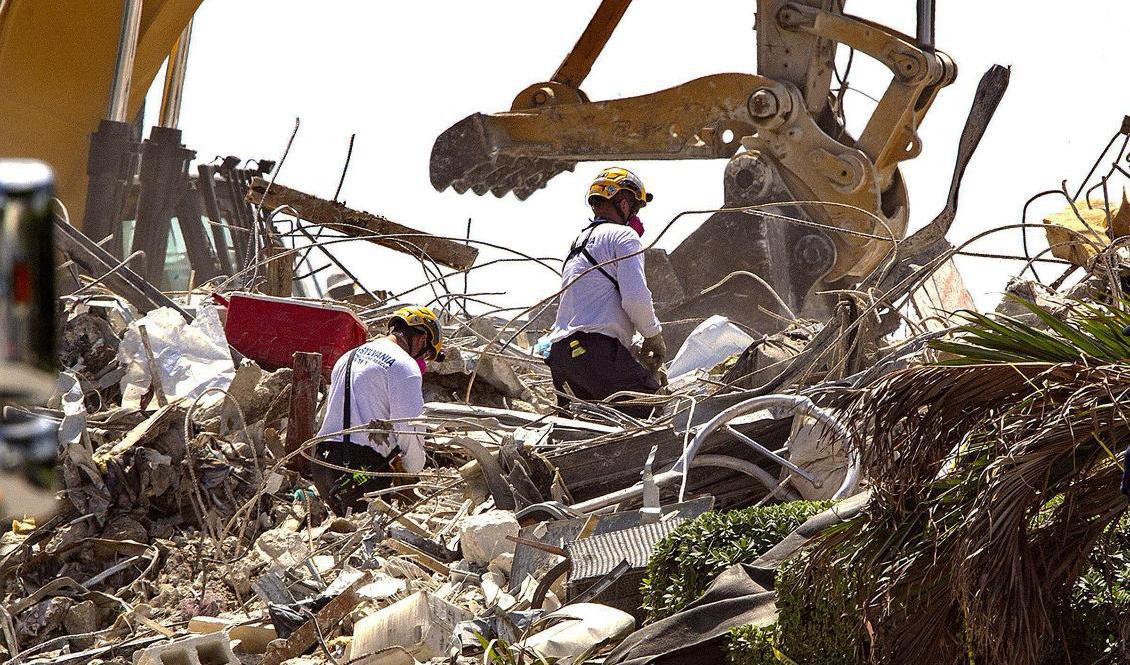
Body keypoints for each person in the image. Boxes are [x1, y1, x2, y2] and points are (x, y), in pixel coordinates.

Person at [545, 167, 666, 417]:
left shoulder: (579, 243)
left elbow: (593, 308)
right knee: (653, 412)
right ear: (624, 204)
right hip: (593, 351)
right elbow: (635, 298)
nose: (635, 217)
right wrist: (653, 335)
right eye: (635, 209)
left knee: (589, 431)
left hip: (561, 357)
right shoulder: (624, 236)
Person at [312, 306, 443, 515]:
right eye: (427, 353)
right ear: (422, 338)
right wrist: (414, 468)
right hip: (360, 471)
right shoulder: (404, 366)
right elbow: (409, 429)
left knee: (343, 538)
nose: (422, 360)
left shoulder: (348, 356)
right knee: (372, 542)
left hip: (322, 462)